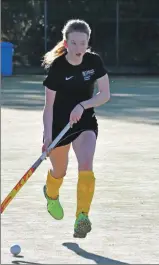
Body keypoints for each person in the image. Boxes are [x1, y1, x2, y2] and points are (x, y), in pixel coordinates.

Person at [41, 19, 110, 238]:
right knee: (59, 171)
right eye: (74, 43)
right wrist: (48, 137)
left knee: (86, 164)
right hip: (60, 124)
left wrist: (83, 105)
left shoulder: (93, 62)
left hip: (85, 121)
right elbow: (48, 106)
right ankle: (51, 193)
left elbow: (104, 95)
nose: (80, 49)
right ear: (66, 43)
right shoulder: (58, 67)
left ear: (88, 42)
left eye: (84, 43)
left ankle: (82, 217)